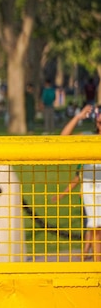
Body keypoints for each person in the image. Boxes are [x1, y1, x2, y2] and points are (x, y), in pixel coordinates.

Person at [54, 104, 101, 261]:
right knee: (95, 229)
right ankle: (96, 264)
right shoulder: (88, 136)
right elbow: (64, 138)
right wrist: (77, 117)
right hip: (91, 189)